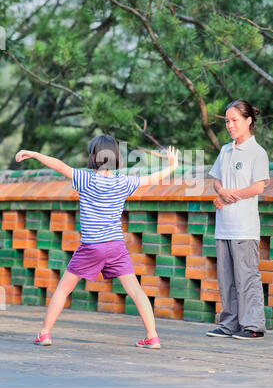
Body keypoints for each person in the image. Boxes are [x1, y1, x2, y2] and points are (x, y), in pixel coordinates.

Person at [15, 136, 179, 348]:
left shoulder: (85, 179)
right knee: (136, 291)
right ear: (117, 157)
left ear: (93, 156)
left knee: (63, 290)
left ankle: (45, 333)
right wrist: (172, 166)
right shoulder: (124, 181)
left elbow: (60, 165)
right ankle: (153, 336)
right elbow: (150, 179)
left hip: (91, 246)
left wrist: (34, 154)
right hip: (115, 246)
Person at [206, 99, 269, 340]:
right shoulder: (225, 150)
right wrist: (221, 191)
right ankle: (228, 324)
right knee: (227, 279)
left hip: (245, 228)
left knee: (247, 278)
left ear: (248, 120)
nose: (230, 125)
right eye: (227, 121)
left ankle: (253, 325)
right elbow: (216, 179)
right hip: (224, 226)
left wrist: (230, 196)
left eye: (235, 121)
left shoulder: (257, 152)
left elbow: (258, 187)